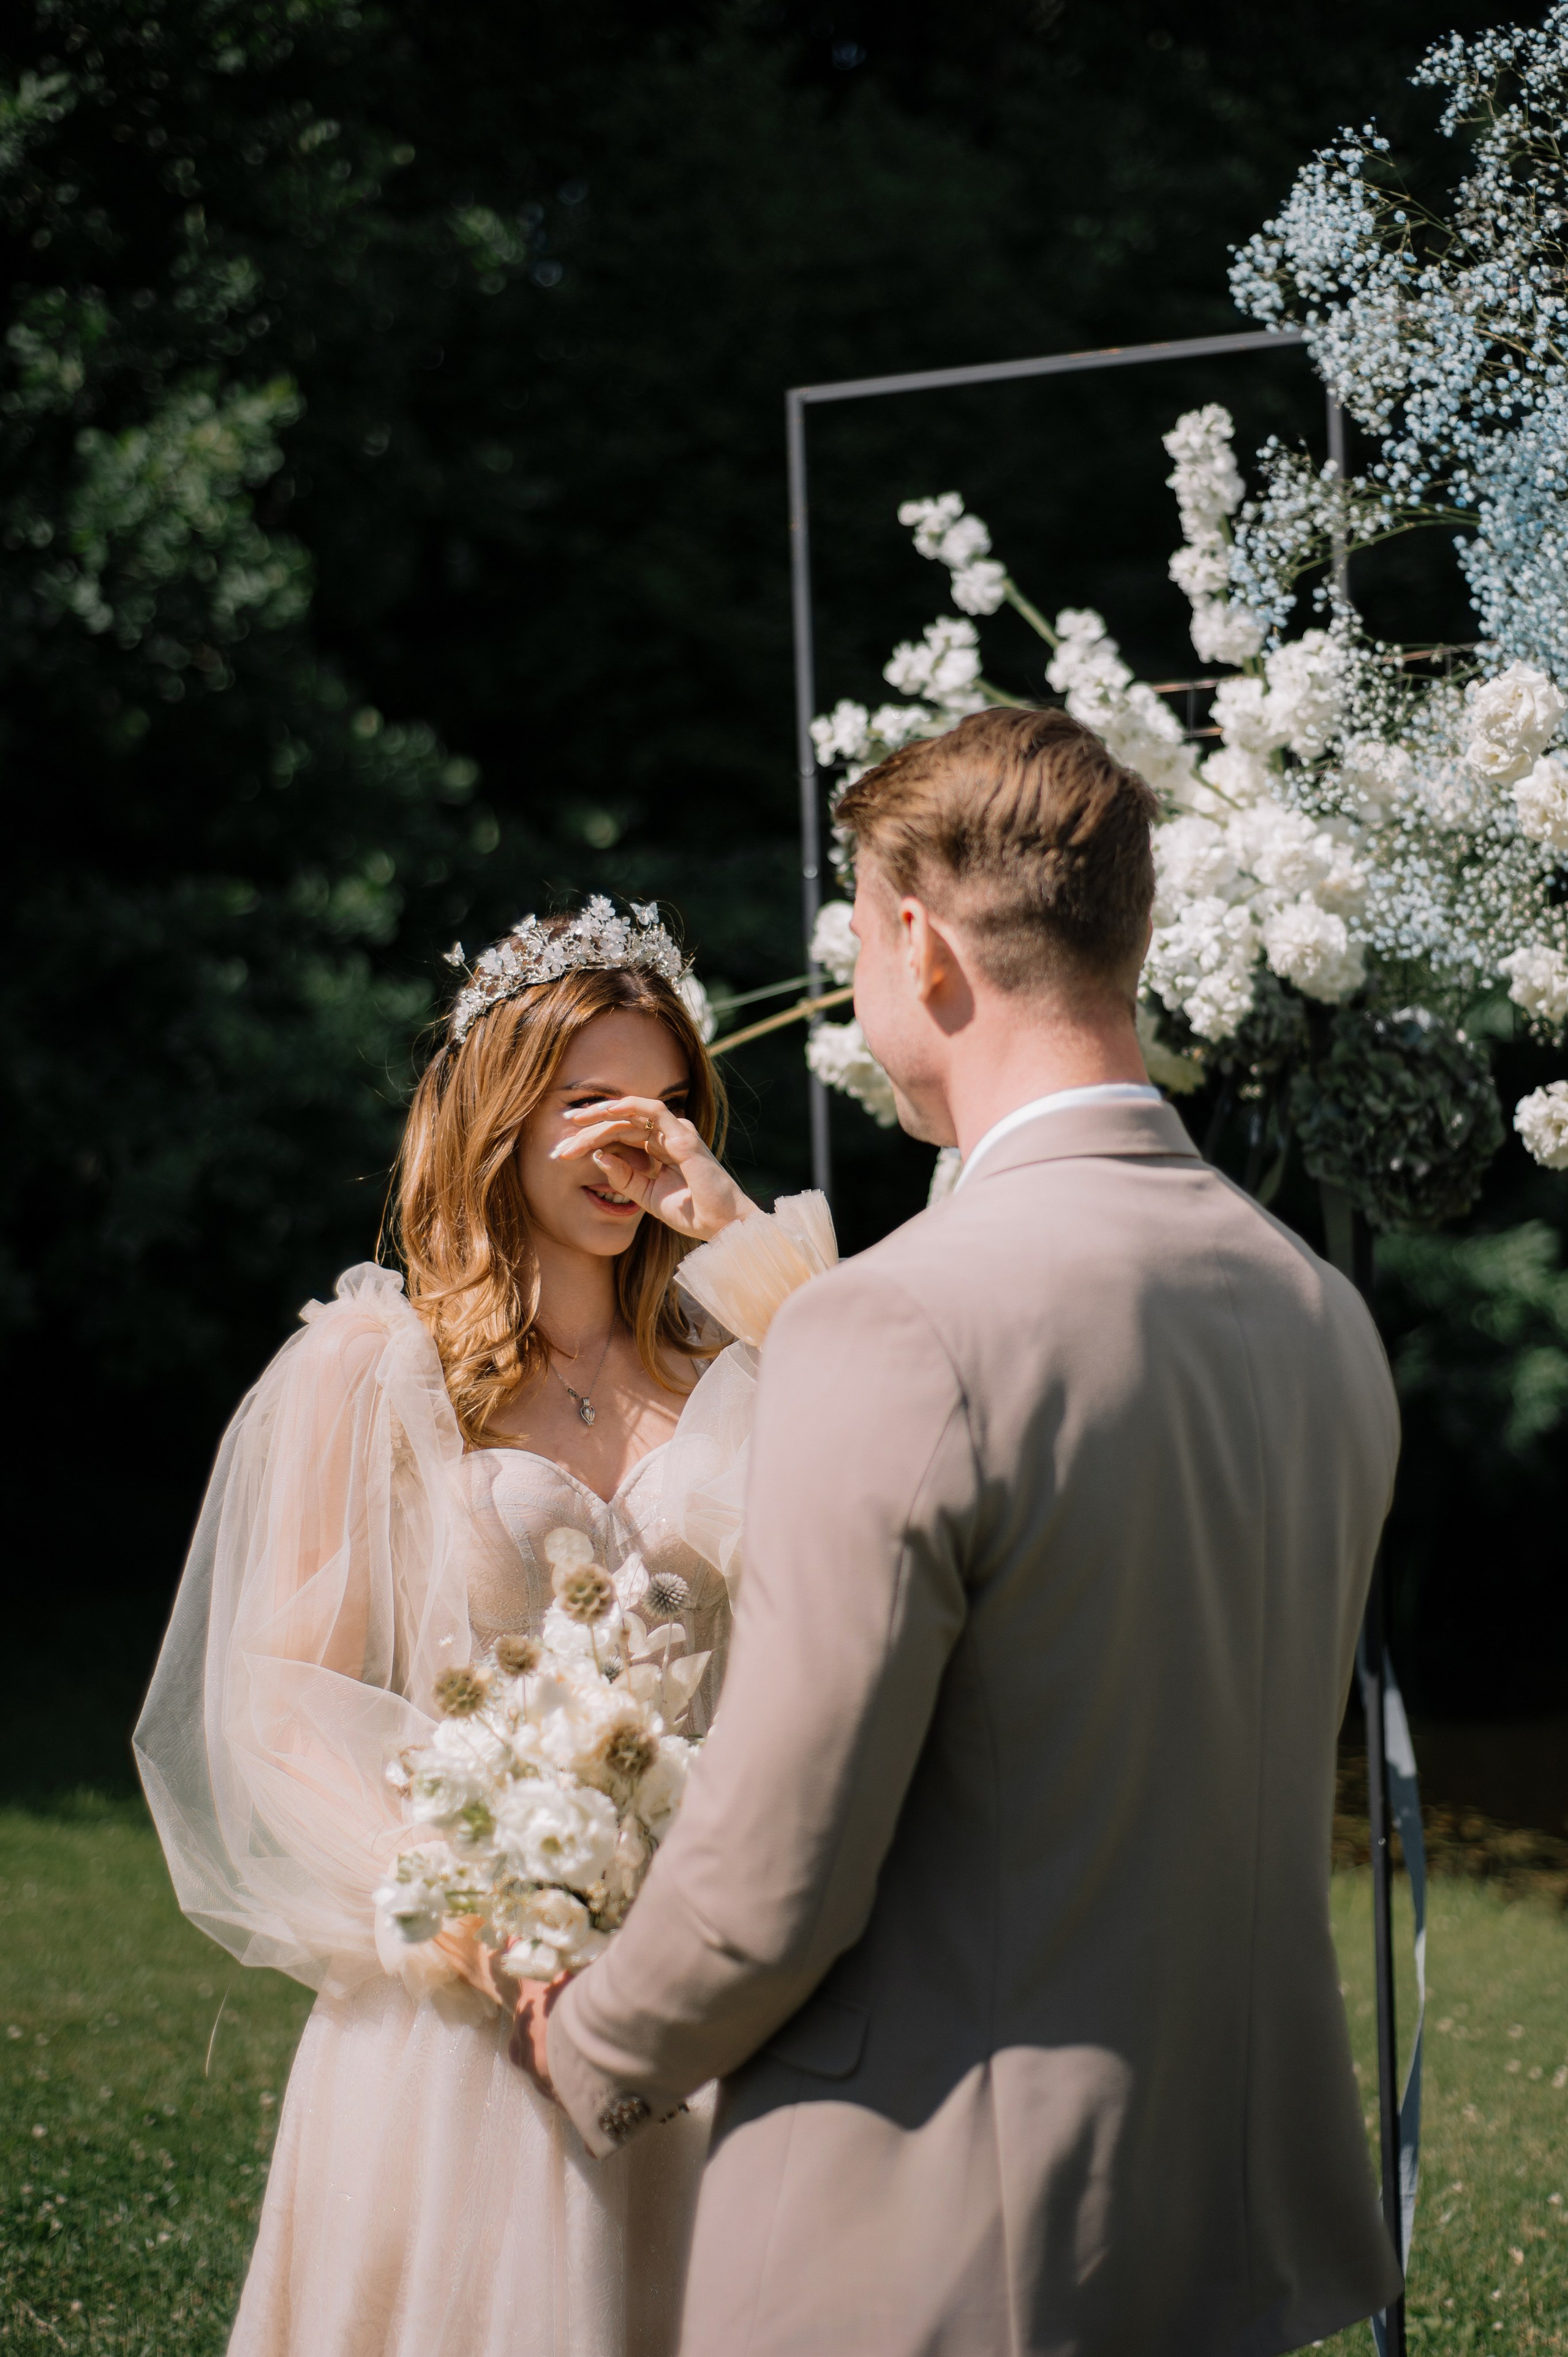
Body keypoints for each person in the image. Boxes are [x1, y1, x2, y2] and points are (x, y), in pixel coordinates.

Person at [532, 708, 1404, 2356]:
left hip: (943, 2241)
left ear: (918, 943)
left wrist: (594, 2044)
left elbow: (777, 1881)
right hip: (1232, 2242)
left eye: (859, 936)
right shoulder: (1320, 1315)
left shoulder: (908, 1325)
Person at [134, 898, 837, 2357]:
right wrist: (484, 1921)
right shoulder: (372, 1367)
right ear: (502, 1116)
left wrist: (730, 1230)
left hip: (711, 1982)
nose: (626, 1143)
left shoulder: (744, 1360)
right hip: (466, 2004)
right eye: (587, 1103)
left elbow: (913, 1439)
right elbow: (278, 1696)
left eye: (663, 1104)